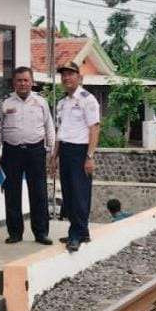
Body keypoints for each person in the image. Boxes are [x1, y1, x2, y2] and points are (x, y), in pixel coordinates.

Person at [0, 66, 55, 245]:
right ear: (14, 82)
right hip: (11, 151)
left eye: (26, 80)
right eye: (19, 80)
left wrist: (52, 151)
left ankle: (41, 233)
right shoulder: (5, 102)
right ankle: (15, 233)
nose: (22, 83)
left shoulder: (41, 102)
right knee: (12, 192)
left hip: (35, 151)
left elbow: (49, 127)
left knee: (38, 192)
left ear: (32, 82)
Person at [49, 61, 100, 253]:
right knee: (69, 195)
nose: (66, 78)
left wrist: (90, 156)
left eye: (70, 74)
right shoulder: (62, 103)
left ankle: (76, 235)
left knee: (80, 194)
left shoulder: (88, 99)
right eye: (63, 75)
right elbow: (60, 131)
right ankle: (82, 230)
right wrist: (54, 156)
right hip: (66, 151)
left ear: (79, 77)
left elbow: (94, 128)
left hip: (81, 152)